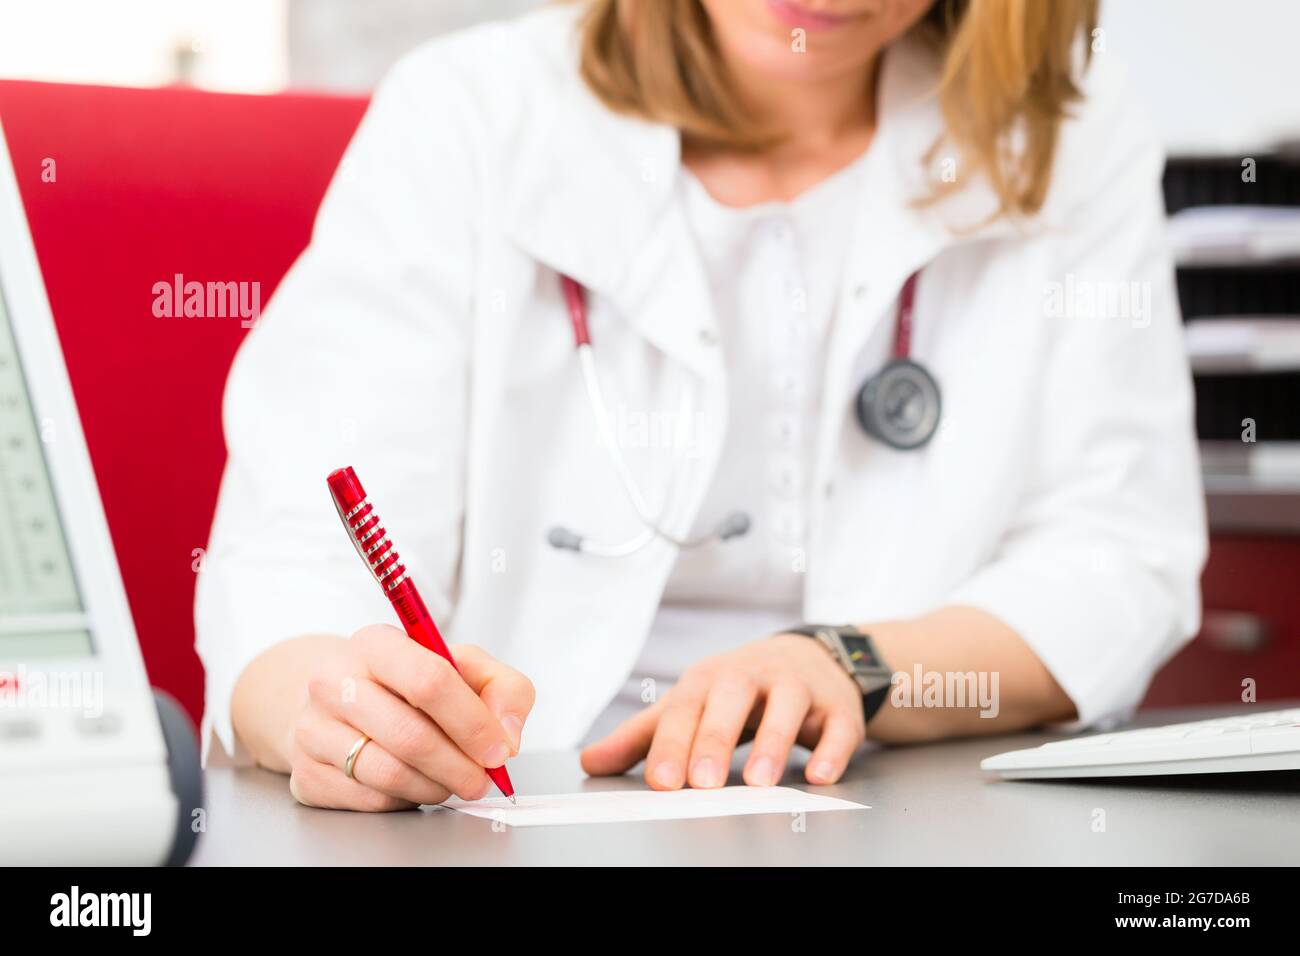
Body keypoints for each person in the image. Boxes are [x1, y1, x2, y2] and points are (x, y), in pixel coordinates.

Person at [195, 0, 1207, 811]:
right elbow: (293, 563)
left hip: (895, 807)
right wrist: (337, 712)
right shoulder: (466, 115)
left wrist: (848, 663)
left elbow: (1116, 547)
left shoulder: (1066, 134)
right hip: (513, 807)